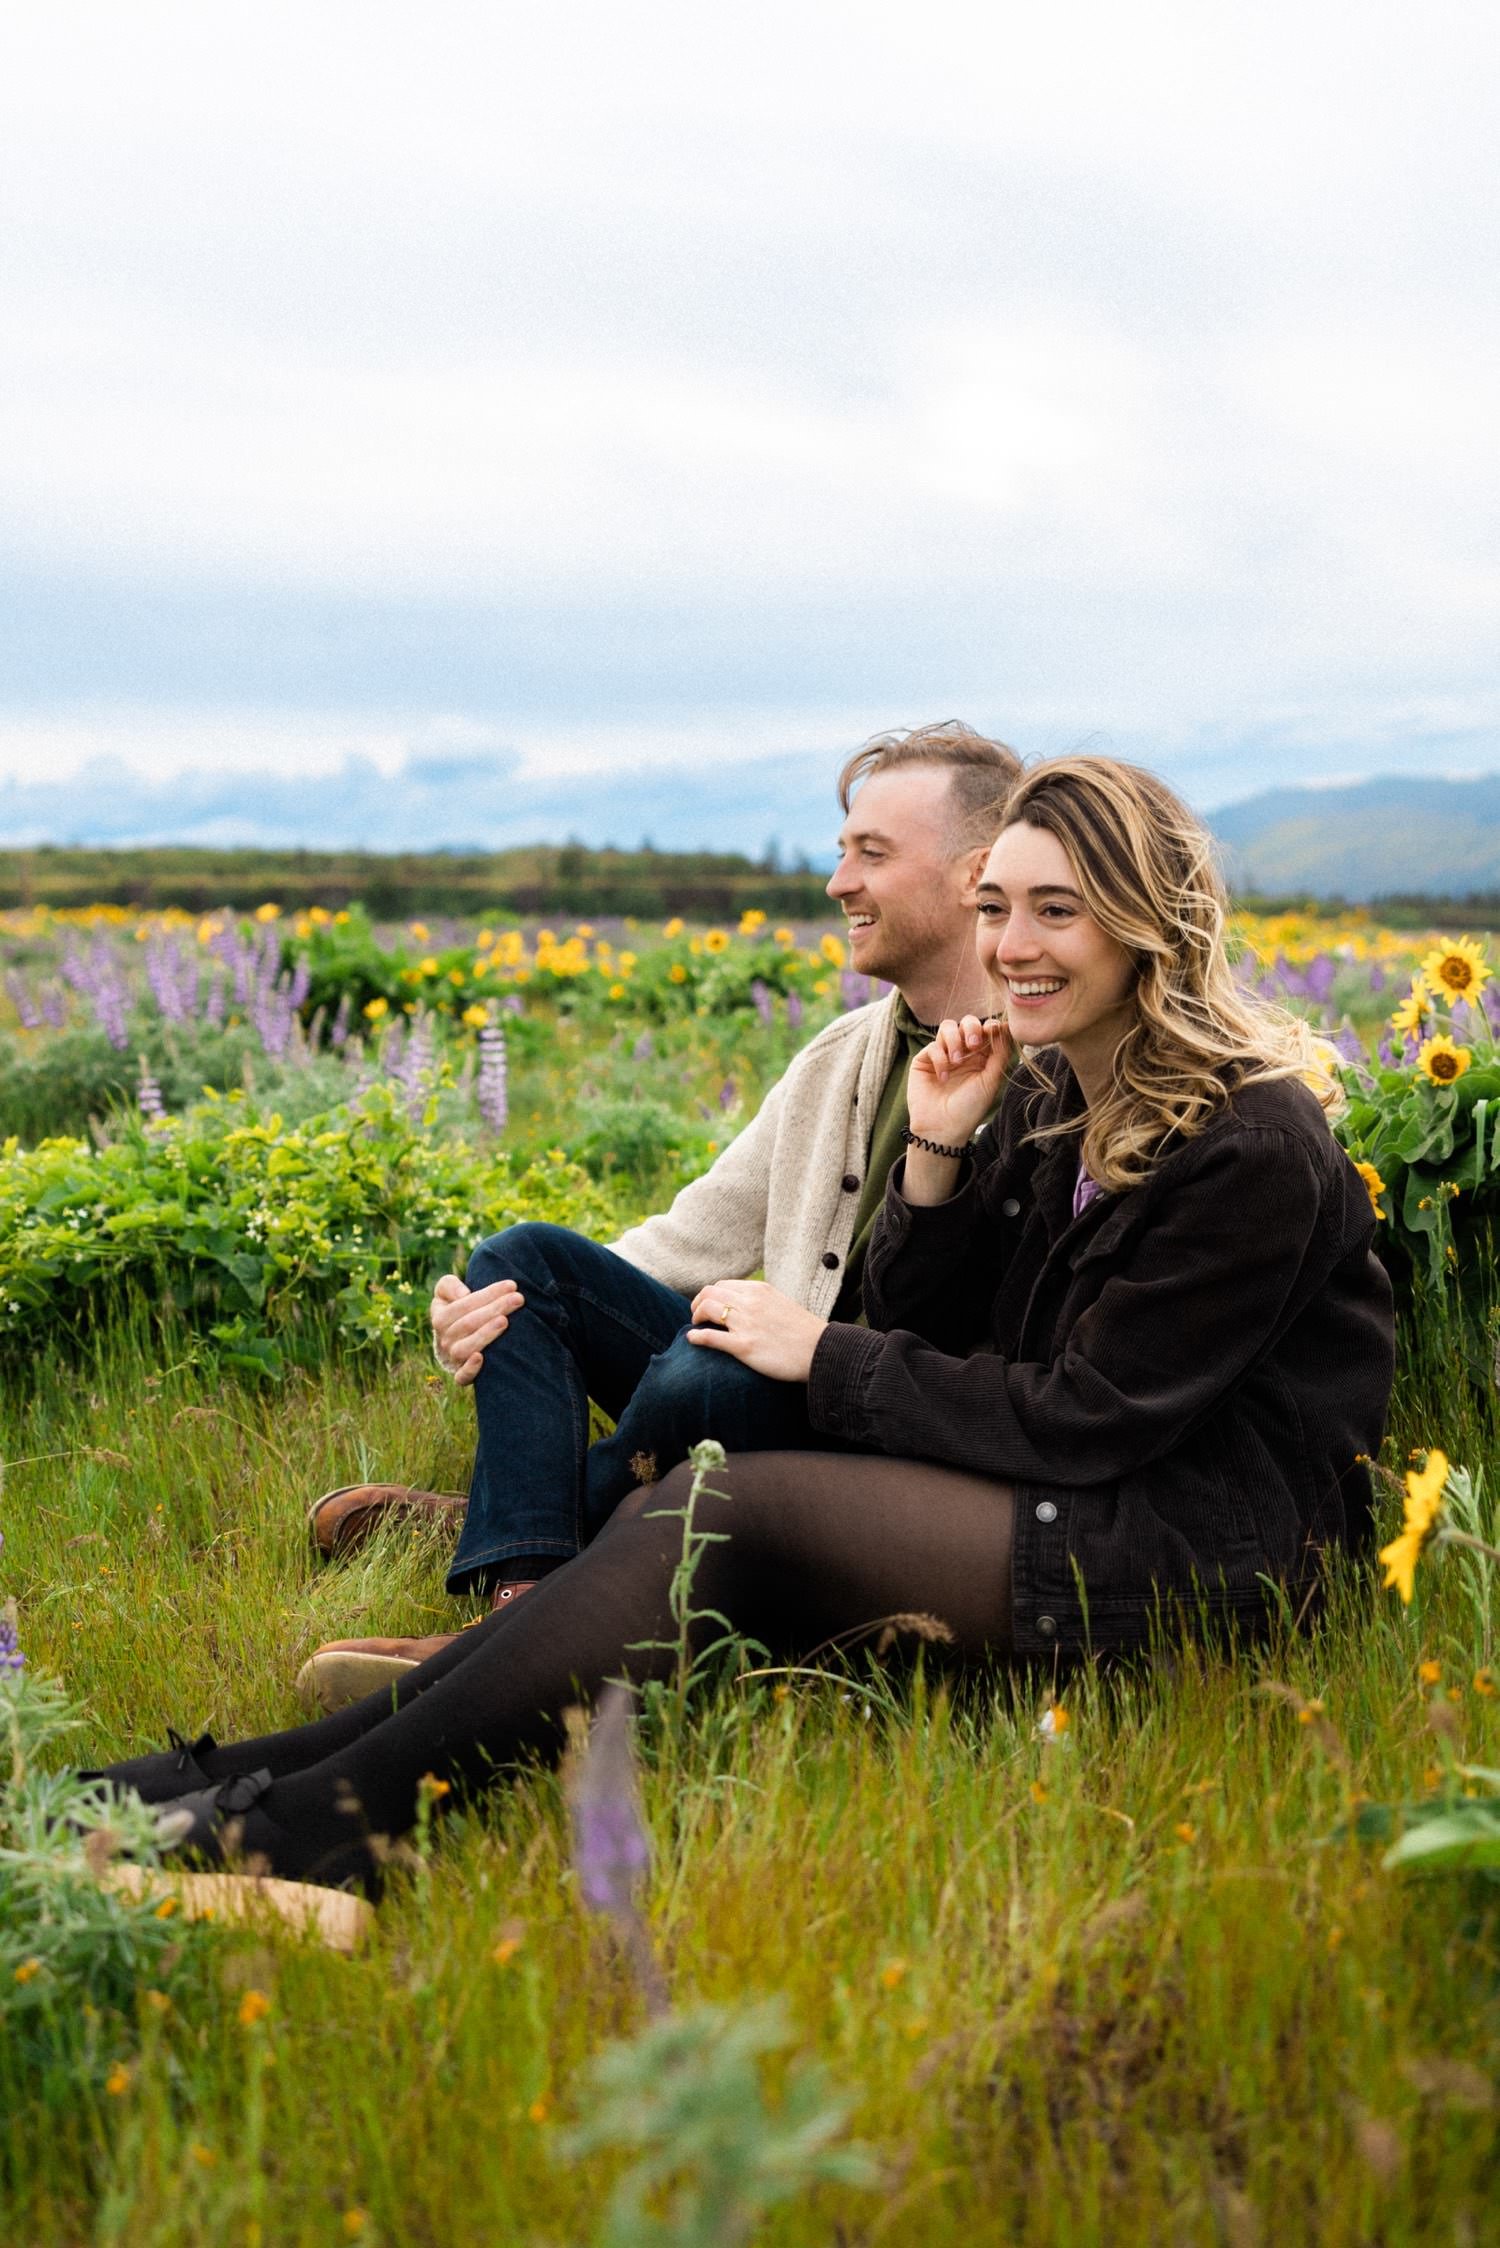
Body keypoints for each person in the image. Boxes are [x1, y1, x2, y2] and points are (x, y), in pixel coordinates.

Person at [94, 756, 1393, 1894]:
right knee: (706, 1503)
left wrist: (822, 1354)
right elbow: (949, 1331)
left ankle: (305, 1835)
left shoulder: (1253, 1142)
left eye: (1058, 909)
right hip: (1067, 1483)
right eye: (998, 906)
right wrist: (936, 1160)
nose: (1012, 943)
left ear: (1148, 924)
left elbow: (1087, 1417)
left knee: (722, 1508)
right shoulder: (1055, 1091)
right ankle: (246, 1782)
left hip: (1197, 1548)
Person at [297, 721, 1022, 1710]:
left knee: (708, 1367)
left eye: (871, 853)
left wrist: (805, 1344)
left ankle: (518, 1532)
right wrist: (486, 1315)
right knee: (529, 1263)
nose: (836, 882)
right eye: (841, 848)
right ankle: (526, 1601)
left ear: (977, 870)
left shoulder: (1049, 1062)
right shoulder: (840, 1058)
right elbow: (685, 1240)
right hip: (768, 1379)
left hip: (890, 1431)